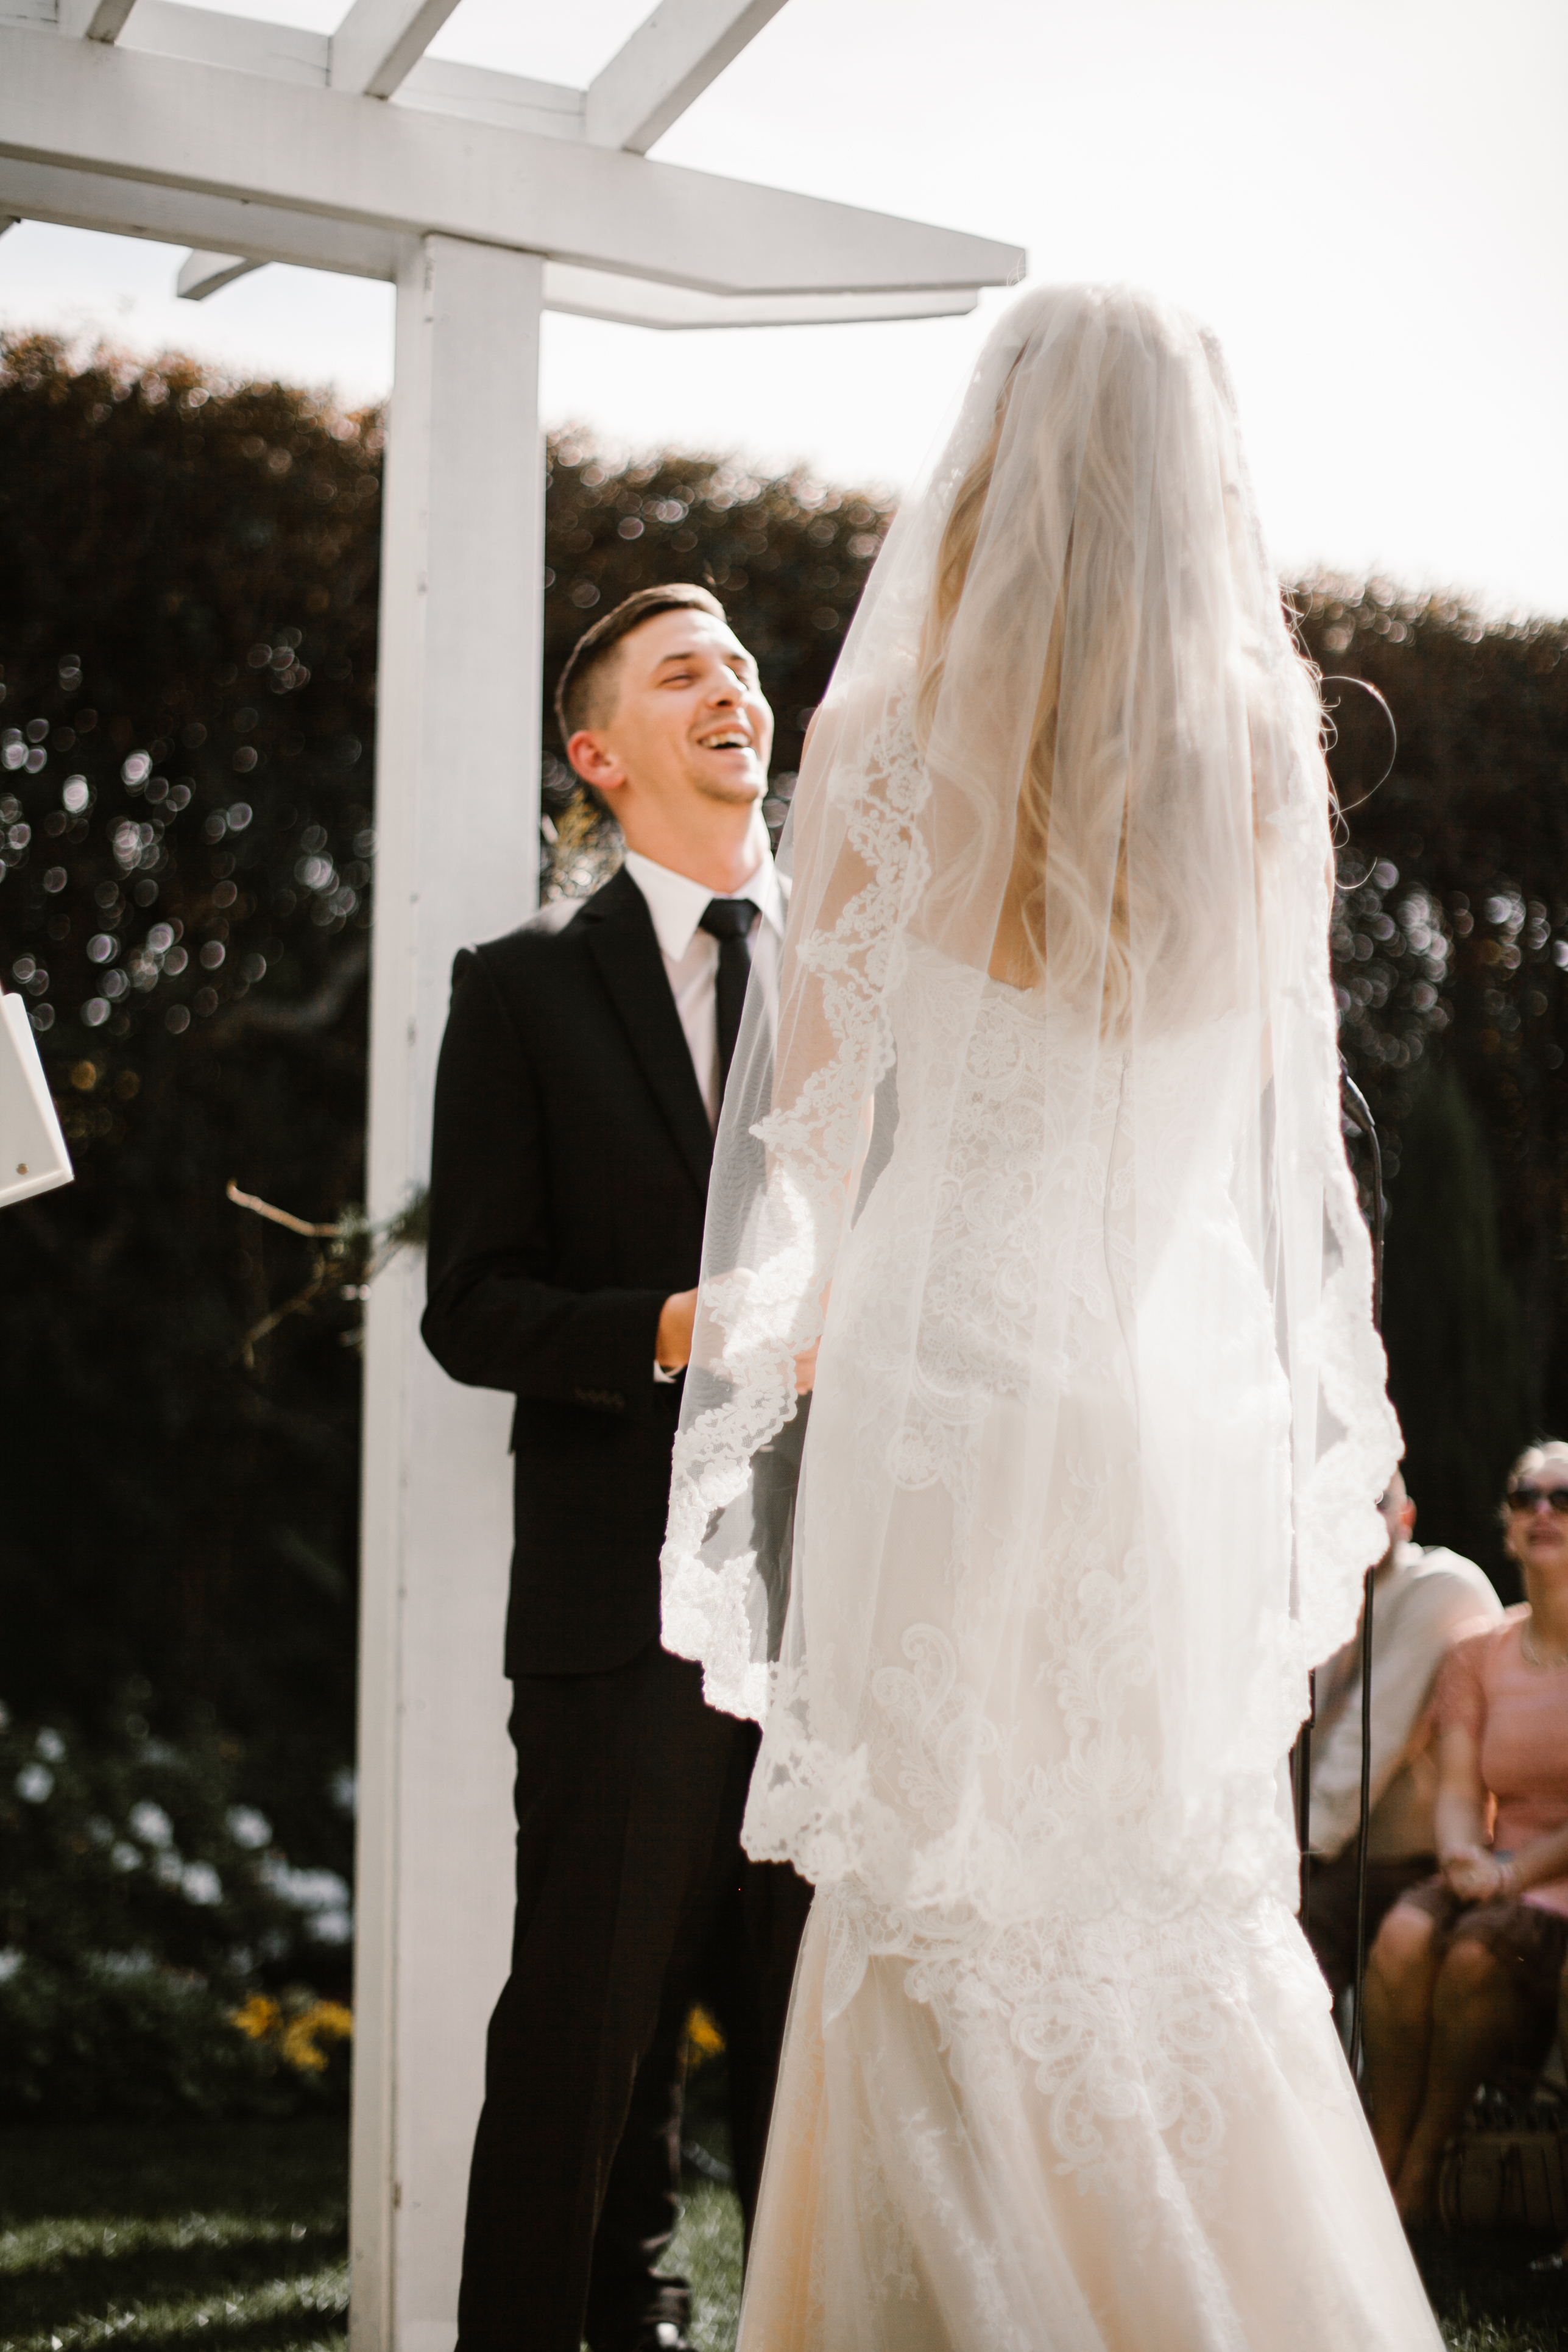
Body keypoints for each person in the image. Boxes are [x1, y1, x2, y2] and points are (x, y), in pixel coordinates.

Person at [662, 285, 1444, 2346]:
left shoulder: (881, 737)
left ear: (993, 465)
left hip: (937, 1367)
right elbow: (1273, 1128)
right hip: (1158, 1392)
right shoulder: (1257, 757)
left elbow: (811, 1108)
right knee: (1155, 1884)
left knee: (929, 1883)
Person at [422, 582, 810, 2352]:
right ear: (599, 753)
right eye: (681, 673)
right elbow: (474, 1307)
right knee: (587, 2051)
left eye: (738, 664)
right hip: (622, 1613)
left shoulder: (869, 974)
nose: (730, 687)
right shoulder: (519, 990)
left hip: (848, 1617)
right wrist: (674, 1328)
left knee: (817, 2054)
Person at [1363, 1439, 1568, 2225]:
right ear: (1508, 1525)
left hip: (1547, 1878)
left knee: (1477, 1957)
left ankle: (1422, 2170)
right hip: (1492, 1863)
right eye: (1526, 1497)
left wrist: (1510, 1875)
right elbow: (1460, 1790)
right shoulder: (1477, 1653)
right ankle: (1380, 2162)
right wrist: (1459, 1851)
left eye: (1563, 1498)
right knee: (1400, 1939)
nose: (1543, 1510)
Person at [1304, 1468, 1501, 1999]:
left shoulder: (1443, 1585)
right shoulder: (1336, 1596)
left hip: (1418, 1856)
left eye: (1378, 1501)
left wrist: (1299, 1850)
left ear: (1406, 1515)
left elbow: (1371, 1733)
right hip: (1348, 1848)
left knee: (1296, 1930)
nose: (1361, 1516)